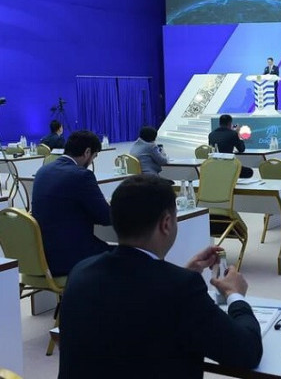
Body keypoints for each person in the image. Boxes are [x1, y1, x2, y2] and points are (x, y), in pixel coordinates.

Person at [58, 175, 262, 378]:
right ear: (166, 223)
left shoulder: (81, 272)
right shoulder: (181, 290)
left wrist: (181, 274)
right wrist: (235, 295)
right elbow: (246, 352)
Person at [31, 130, 111, 277]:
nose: (92, 162)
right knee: (127, 256)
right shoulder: (82, 175)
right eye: (94, 156)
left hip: (40, 256)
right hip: (70, 258)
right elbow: (105, 217)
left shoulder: (43, 171)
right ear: (87, 152)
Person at [208, 114, 253, 178]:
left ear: (220, 123)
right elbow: (241, 149)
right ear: (230, 123)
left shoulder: (211, 134)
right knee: (249, 172)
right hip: (229, 165)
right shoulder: (233, 134)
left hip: (215, 165)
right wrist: (238, 134)